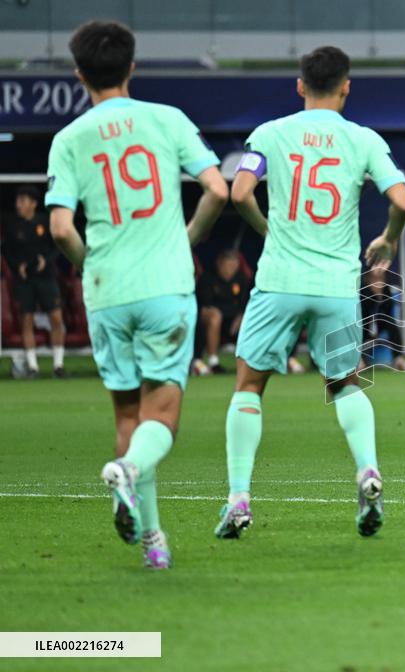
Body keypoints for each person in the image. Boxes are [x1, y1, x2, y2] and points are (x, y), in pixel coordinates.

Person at [45, 21, 228, 568]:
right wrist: (190, 236)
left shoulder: (69, 139)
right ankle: (126, 474)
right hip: (165, 287)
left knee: (128, 416)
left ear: (80, 76)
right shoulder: (166, 120)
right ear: (131, 67)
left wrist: (88, 262)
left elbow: (59, 228)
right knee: (162, 416)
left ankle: (154, 545)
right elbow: (217, 188)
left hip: (107, 290)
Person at [222, 45, 405, 539]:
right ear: (347, 86)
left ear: (300, 85)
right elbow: (402, 200)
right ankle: (368, 470)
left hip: (280, 279)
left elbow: (238, 192)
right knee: (345, 383)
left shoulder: (269, 133)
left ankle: (239, 497)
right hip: (334, 285)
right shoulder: (363, 139)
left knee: (249, 386)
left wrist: (268, 229)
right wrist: (389, 239)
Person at [3, 186, 67, 378]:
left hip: (46, 278)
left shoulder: (45, 222)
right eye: (17, 201)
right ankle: (32, 367)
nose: (19, 205)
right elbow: (6, 251)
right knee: (27, 321)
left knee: (56, 318)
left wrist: (45, 261)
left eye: (23, 201)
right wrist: (17, 267)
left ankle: (58, 365)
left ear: (33, 203)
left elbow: (58, 247)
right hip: (24, 282)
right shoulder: (13, 226)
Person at [192, 250, 249, 375]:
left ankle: (251, 364)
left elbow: (244, 303)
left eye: (235, 265)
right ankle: (213, 362)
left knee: (249, 319)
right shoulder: (207, 278)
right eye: (228, 265)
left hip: (233, 321)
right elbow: (207, 304)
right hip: (209, 319)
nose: (231, 269)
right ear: (220, 264)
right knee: (215, 316)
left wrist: (241, 315)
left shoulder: (241, 279)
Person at [361, 266, 405, 371]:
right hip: (364, 327)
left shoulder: (386, 291)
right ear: (368, 280)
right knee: (356, 327)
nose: (378, 283)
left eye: (381, 279)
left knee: (390, 322)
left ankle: (399, 359)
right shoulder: (363, 292)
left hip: (379, 326)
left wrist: (381, 298)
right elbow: (363, 313)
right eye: (375, 279)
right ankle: (358, 361)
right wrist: (374, 297)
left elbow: (388, 311)